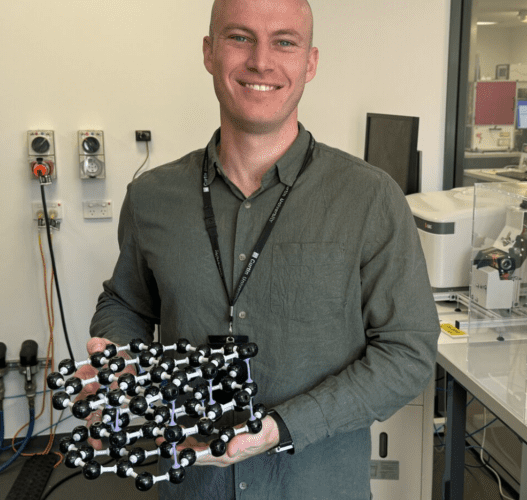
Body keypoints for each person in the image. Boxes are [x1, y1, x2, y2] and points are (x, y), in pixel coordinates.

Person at [74, 0, 439, 498]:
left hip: (315, 485)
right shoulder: (151, 197)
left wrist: (282, 427)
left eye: (284, 41)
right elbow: (126, 302)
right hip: (194, 486)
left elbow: (408, 352)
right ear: (209, 52)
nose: (261, 61)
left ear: (310, 62)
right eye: (239, 37)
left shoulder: (370, 198)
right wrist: (115, 348)